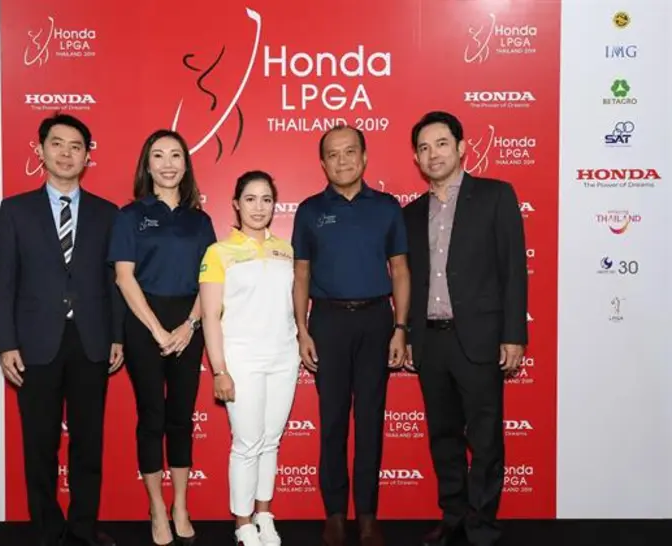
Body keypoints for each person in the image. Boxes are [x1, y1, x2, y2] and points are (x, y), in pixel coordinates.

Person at [0, 113, 124, 546]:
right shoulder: (15, 210)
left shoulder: (107, 213)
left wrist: (117, 335)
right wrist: (5, 343)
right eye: (57, 144)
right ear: (41, 150)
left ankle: (83, 529)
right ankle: (48, 531)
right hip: (34, 344)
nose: (66, 154)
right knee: (39, 444)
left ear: (87, 156)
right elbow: (3, 282)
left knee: (88, 443)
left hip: (91, 341)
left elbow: (115, 281)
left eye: (75, 147)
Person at [402, 111, 528, 546]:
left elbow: (514, 270)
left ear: (460, 148)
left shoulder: (495, 196)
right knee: (443, 437)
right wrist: (408, 334)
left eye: (441, 144)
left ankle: (482, 525)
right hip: (430, 340)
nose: (433, 154)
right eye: (423, 148)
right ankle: (453, 516)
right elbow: (409, 280)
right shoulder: (411, 213)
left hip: (479, 339)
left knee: (486, 438)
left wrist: (513, 334)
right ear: (416, 159)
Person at [291, 125, 411, 546]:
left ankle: (368, 516)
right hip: (328, 323)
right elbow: (301, 274)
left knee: (371, 422)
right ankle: (335, 515)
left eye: (349, 152)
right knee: (333, 422)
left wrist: (400, 328)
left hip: (376, 320)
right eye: (333, 154)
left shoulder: (387, 207)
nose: (342, 161)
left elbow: (400, 270)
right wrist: (302, 330)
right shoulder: (309, 211)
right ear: (322, 163)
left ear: (364, 157)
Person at [108, 129, 216, 546]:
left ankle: (180, 506)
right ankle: (156, 506)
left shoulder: (200, 220)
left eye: (175, 155)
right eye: (158, 155)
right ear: (147, 165)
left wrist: (189, 325)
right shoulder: (130, 215)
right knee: (152, 415)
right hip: (143, 323)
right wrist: (156, 330)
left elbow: (210, 281)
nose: (168, 163)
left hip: (189, 323)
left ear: (186, 165)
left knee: (181, 417)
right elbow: (124, 277)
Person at [199, 171, 299, 546]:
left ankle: (264, 515)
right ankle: (242, 524)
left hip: (284, 356)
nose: (259, 207)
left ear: (274, 205)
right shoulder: (218, 253)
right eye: (251, 199)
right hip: (241, 360)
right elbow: (210, 316)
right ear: (236, 204)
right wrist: (219, 370)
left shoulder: (286, 250)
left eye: (266, 199)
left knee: (270, 441)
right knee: (247, 444)